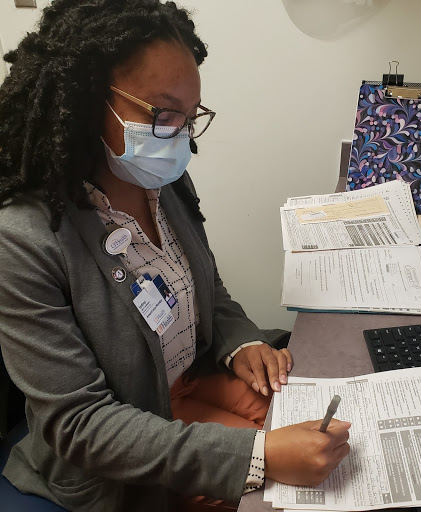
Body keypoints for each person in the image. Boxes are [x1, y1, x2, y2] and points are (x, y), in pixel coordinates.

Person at [0, 1, 351, 511]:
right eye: (163, 114)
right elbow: (79, 425)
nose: (179, 137)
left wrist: (241, 342)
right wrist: (257, 456)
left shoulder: (162, 179)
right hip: (121, 448)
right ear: (83, 100)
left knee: (327, 432)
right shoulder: (24, 239)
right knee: (292, 489)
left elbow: (207, 283)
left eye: (190, 117)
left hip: (187, 385)